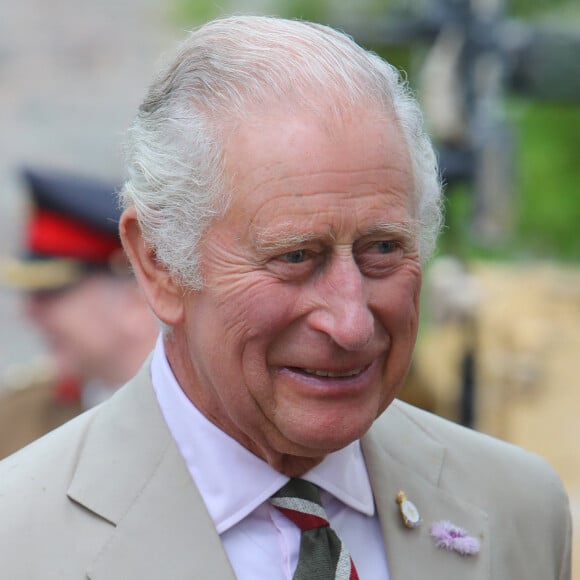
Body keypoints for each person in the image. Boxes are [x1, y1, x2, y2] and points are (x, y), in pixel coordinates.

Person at [0, 16, 571, 579]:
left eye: (382, 248)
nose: (350, 322)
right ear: (159, 265)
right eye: (296, 257)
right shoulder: (21, 541)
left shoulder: (516, 509)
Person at [0, 167, 158, 458]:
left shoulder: (219, 420)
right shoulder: (18, 417)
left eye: (51, 292)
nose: (29, 312)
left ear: (135, 300)